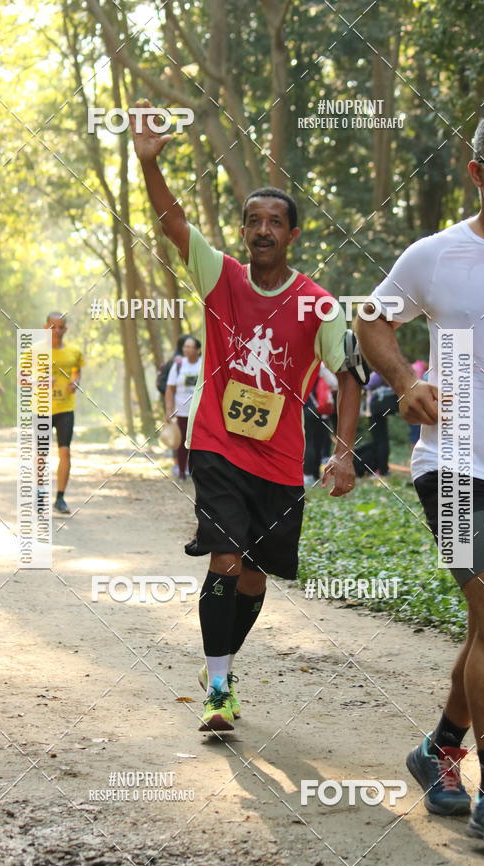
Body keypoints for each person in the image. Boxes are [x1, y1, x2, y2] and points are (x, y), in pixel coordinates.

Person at [131, 98, 364, 733]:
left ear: (293, 235)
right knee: (225, 561)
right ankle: (216, 687)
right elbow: (173, 224)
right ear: (242, 231)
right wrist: (148, 162)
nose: (262, 230)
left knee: (256, 579)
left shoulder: (317, 303)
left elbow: (349, 375)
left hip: (282, 461)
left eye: (275, 222)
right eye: (252, 221)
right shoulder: (221, 278)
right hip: (217, 446)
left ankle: (226, 670)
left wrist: (342, 451)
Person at [356, 109, 484, 842]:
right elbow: (371, 318)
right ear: (478, 172)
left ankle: (438, 748)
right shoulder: (437, 255)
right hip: (460, 462)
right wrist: (405, 379)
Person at [47, 312, 84, 515]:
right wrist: (40, 382)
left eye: (61, 327)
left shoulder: (74, 352)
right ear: (46, 327)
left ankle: (60, 497)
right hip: (41, 408)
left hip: (65, 408)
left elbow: (78, 371)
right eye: (53, 327)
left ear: (66, 329)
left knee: (65, 452)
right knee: (41, 455)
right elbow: (21, 378)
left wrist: (75, 382)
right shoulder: (35, 352)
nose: (57, 331)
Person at [165, 335, 202, 480]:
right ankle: (181, 472)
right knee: (181, 443)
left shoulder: (203, 365)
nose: (186, 349)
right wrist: (169, 409)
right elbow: (170, 388)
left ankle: (196, 472)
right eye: (184, 346)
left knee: (198, 444)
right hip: (182, 411)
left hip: (199, 412)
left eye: (189, 347)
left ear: (198, 350)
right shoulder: (179, 365)